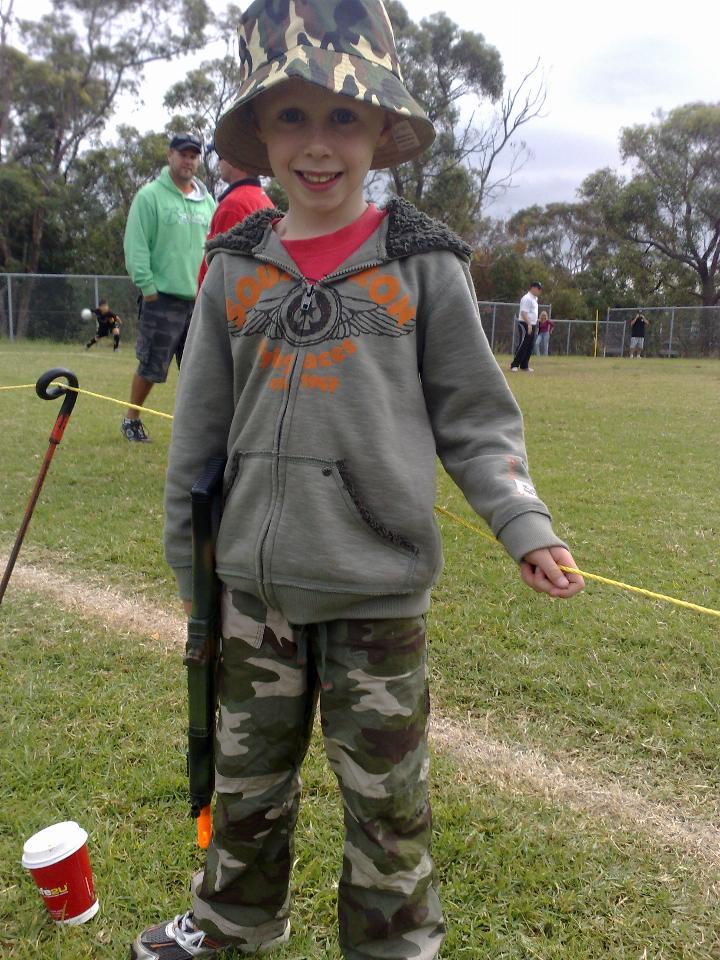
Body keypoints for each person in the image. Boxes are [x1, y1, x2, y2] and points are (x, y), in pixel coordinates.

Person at [131, 2, 585, 957]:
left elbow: (475, 418)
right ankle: (232, 926)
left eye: (344, 117)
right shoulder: (232, 267)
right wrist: (195, 579)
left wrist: (524, 520)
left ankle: (392, 944)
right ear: (258, 134)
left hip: (377, 599)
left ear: (383, 132)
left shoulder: (425, 266)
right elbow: (198, 440)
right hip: (252, 598)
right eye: (292, 117)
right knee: (247, 787)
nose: (318, 143)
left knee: (387, 804)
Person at [121, 132, 216, 442]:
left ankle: (197, 430)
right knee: (151, 365)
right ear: (169, 156)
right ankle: (131, 418)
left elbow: (215, 245)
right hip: (161, 299)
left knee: (199, 371)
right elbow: (136, 245)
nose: (188, 160)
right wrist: (148, 287)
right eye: (183, 154)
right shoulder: (150, 197)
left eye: (193, 155)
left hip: (199, 301)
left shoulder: (207, 201)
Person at [197, 150, 274, 288]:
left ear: (233, 159)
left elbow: (221, 271)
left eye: (220, 157)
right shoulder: (263, 198)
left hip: (221, 304)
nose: (218, 163)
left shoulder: (234, 205)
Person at [510, 280, 543, 372]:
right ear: (533, 288)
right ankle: (514, 365)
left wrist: (536, 320)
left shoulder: (535, 299)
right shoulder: (527, 298)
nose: (539, 291)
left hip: (532, 324)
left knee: (530, 345)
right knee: (523, 344)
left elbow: (532, 313)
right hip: (525, 324)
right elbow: (523, 313)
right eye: (538, 289)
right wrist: (529, 324)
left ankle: (524, 365)